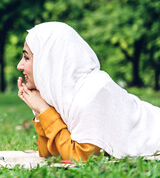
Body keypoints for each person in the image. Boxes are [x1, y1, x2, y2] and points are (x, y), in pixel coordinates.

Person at [17, 22, 160, 162]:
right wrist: (39, 111)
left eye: (27, 57)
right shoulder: (59, 96)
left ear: (48, 60)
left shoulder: (94, 90)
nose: (19, 65)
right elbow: (48, 153)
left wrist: (44, 110)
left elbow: (82, 158)